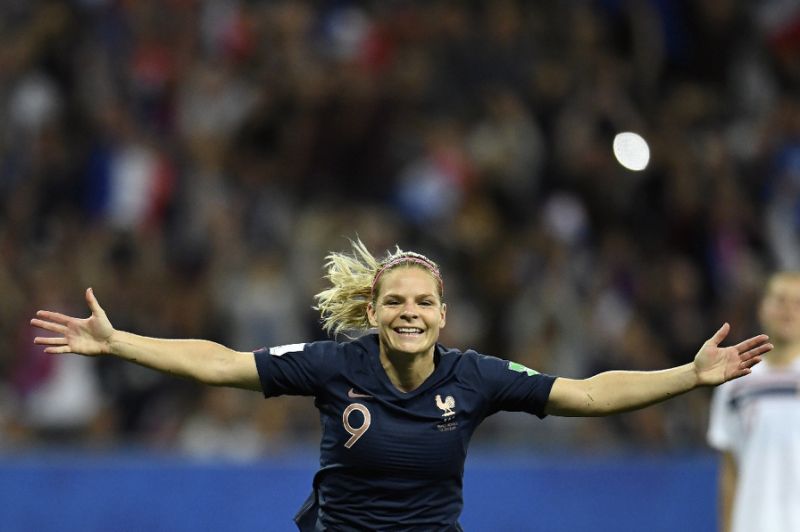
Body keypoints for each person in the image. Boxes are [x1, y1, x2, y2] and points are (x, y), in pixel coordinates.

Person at [31, 238, 772, 531]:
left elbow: (584, 394)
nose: (409, 313)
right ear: (374, 312)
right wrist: (120, 342)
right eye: (395, 302)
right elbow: (222, 363)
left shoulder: (476, 377)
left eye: (423, 303)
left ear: (443, 315)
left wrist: (690, 376)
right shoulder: (335, 365)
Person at [707, 272, 800, 532]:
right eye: (780, 300)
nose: (788, 311)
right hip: (753, 523)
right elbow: (730, 471)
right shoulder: (736, 381)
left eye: (797, 303)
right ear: (763, 308)